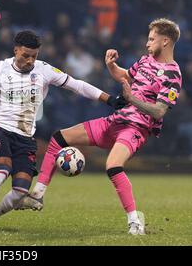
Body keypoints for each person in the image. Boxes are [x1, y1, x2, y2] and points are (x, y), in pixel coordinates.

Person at [18, 18, 182, 236]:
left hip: (135, 129)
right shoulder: (144, 61)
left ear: (165, 42)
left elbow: (160, 111)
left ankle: (135, 221)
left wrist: (132, 99)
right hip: (115, 121)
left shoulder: (173, 74)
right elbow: (124, 76)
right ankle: (37, 194)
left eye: (151, 39)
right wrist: (111, 65)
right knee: (59, 138)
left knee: (112, 166)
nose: (147, 43)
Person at [0, 30, 126, 230]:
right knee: (3, 168)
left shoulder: (44, 70)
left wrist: (109, 99)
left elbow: (78, 86)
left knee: (20, 191)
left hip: (25, 137)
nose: (30, 60)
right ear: (15, 50)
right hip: (1, 130)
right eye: (25, 55)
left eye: (34, 56)